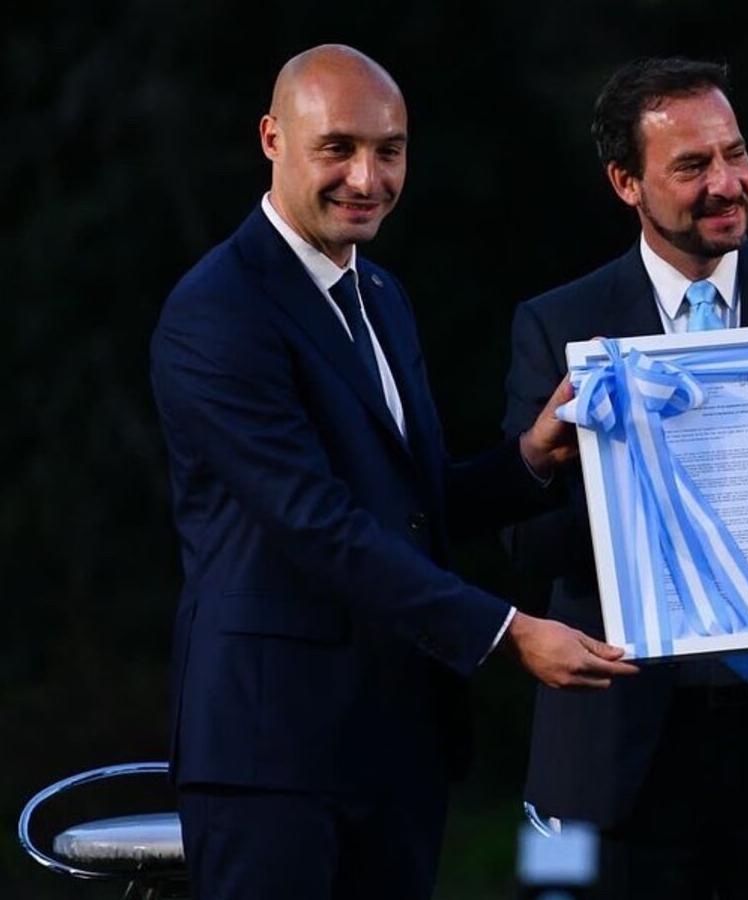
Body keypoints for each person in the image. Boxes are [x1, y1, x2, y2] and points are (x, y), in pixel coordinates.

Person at [149, 44, 635, 900]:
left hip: (395, 742)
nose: (367, 178)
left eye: (391, 149)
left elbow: (403, 505)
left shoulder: (383, 296)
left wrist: (529, 458)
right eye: (337, 148)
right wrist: (505, 630)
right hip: (272, 758)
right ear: (272, 139)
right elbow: (313, 523)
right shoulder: (215, 310)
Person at [502, 57, 748, 899]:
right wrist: (570, 459)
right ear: (626, 183)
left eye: (736, 153)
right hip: (626, 744)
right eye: (692, 166)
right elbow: (528, 546)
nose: (727, 184)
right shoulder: (559, 325)